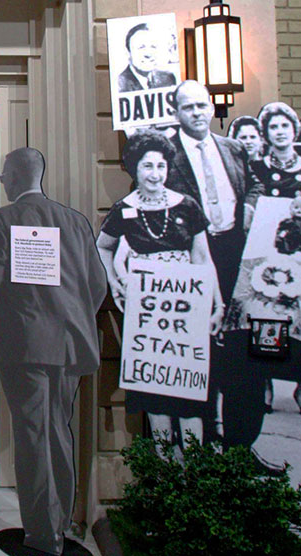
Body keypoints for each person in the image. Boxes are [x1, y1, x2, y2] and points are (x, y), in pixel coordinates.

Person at [0, 148, 106, 556]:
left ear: (12, 177)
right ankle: (61, 522)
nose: (3, 181)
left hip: (24, 346)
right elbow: (97, 284)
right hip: (69, 345)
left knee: (31, 437)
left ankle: (42, 535)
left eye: (4, 174)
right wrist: (72, 318)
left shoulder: (2, 219)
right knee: (59, 431)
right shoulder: (76, 222)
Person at [97, 131, 222, 448]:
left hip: (185, 307)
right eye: (147, 166)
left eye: (161, 166)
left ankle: (192, 470)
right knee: (154, 390)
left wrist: (217, 303)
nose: (155, 174)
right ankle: (166, 467)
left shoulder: (187, 206)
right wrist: (115, 281)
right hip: (147, 310)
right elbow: (103, 247)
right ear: (135, 169)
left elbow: (203, 257)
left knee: (188, 387)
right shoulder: (123, 209)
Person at [165, 81, 266, 459]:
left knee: (244, 356)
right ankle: (204, 447)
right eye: (188, 107)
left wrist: (251, 206)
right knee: (201, 354)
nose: (197, 113)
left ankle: (242, 449)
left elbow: (254, 185)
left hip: (237, 257)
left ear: (212, 108)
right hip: (194, 261)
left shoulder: (234, 148)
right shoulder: (167, 154)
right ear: (176, 113)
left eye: (202, 106)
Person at [251, 102, 301, 199]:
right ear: (265, 132)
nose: (280, 132)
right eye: (273, 127)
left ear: (294, 129)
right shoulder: (256, 169)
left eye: (285, 126)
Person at [117, 22, 177, 93]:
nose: (148, 54)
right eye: (141, 47)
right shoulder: (119, 84)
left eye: (153, 47)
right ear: (128, 53)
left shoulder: (168, 79)